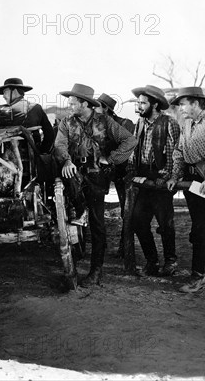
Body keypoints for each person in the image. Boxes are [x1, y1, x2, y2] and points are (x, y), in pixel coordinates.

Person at [54, 83, 137, 287]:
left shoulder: (105, 121)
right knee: (71, 186)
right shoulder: (66, 122)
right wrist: (66, 160)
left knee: (97, 224)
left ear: (84, 103)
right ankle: (80, 210)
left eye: (72, 103)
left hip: (97, 175)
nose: (69, 106)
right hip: (75, 172)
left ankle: (96, 272)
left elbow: (130, 141)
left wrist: (112, 158)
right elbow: (59, 145)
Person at [167, 87, 205, 293]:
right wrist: (175, 176)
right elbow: (179, 152)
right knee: (201, 224)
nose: (180, 108)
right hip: (191, 182)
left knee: (200, 228)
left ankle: (199, 275)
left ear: (196, 103)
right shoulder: (186, 123)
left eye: (183, 104)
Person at [126, 85, 180, 277]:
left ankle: (170, 262)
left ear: (154, 104)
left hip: (161, 181)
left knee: (166, 224)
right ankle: (152, 261)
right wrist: (132, 172)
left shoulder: (169, 123)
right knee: (138, 222)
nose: (139, 106)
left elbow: (175, 153)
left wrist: (167, 178)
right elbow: (134, 149)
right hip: (143, 181)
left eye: (143, 103)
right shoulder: (139, 123)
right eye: (138, 102)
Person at [0, 77, 54, 153]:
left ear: (15, 91)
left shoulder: (1, 110)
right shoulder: (37, 108)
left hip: (6, 157)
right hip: (34, 155)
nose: (3, 96)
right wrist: (42, 152)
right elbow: (50, 133)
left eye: (5, 92)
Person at [96, 94, 135, 218]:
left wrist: (110, 159)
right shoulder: (97, 125)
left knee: (127, 208)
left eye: (97, 107)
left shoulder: (125, 124)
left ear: (106, 109)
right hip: (105, 170)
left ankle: (127, 235)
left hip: (124, 172)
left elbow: (130, 147)